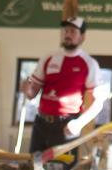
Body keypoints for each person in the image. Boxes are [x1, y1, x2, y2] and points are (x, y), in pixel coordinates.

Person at [21, 16, 106, 155]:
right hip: (41, 124)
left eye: (73, 31)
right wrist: (27, 89)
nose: (68, 34)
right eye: (66, 31)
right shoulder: (48, 58)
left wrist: (79, 123)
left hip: (66, 126)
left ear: (82, 37)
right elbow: (32, 94)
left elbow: (98, 103)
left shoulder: (89, 64)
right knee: (33, 168)